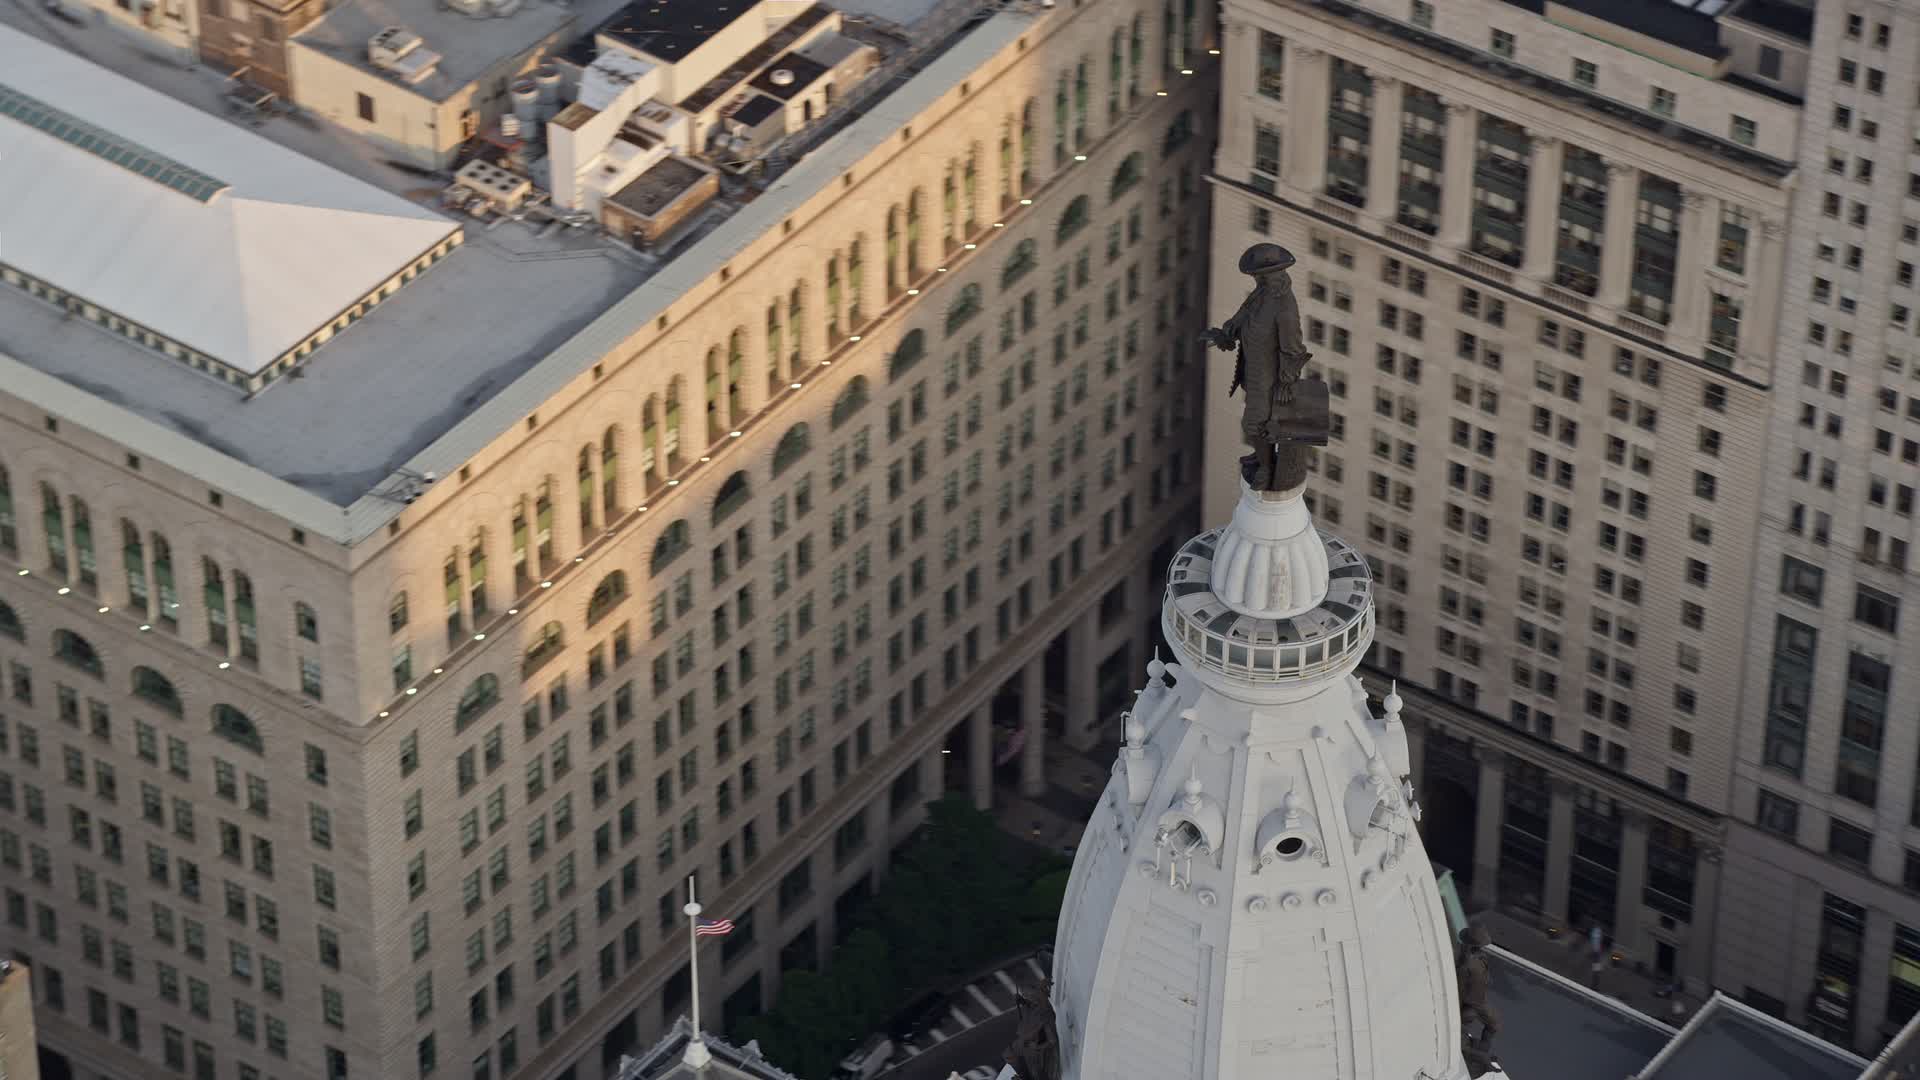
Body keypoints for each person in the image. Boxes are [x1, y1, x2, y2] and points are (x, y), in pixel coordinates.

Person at [1201, 243, 1315, 491]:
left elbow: (1294, 349)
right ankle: (1262, 454)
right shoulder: (1261, 295)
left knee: (1253, 423)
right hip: (1252, 369)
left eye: (1259, 276)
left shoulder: (1285, 307)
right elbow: (1243, 316)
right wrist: (1226, 333)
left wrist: (1286, 382)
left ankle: (1266, 467)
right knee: (1258, 421)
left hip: (1268, 377)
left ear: (1273, 275)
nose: (1256, 279)